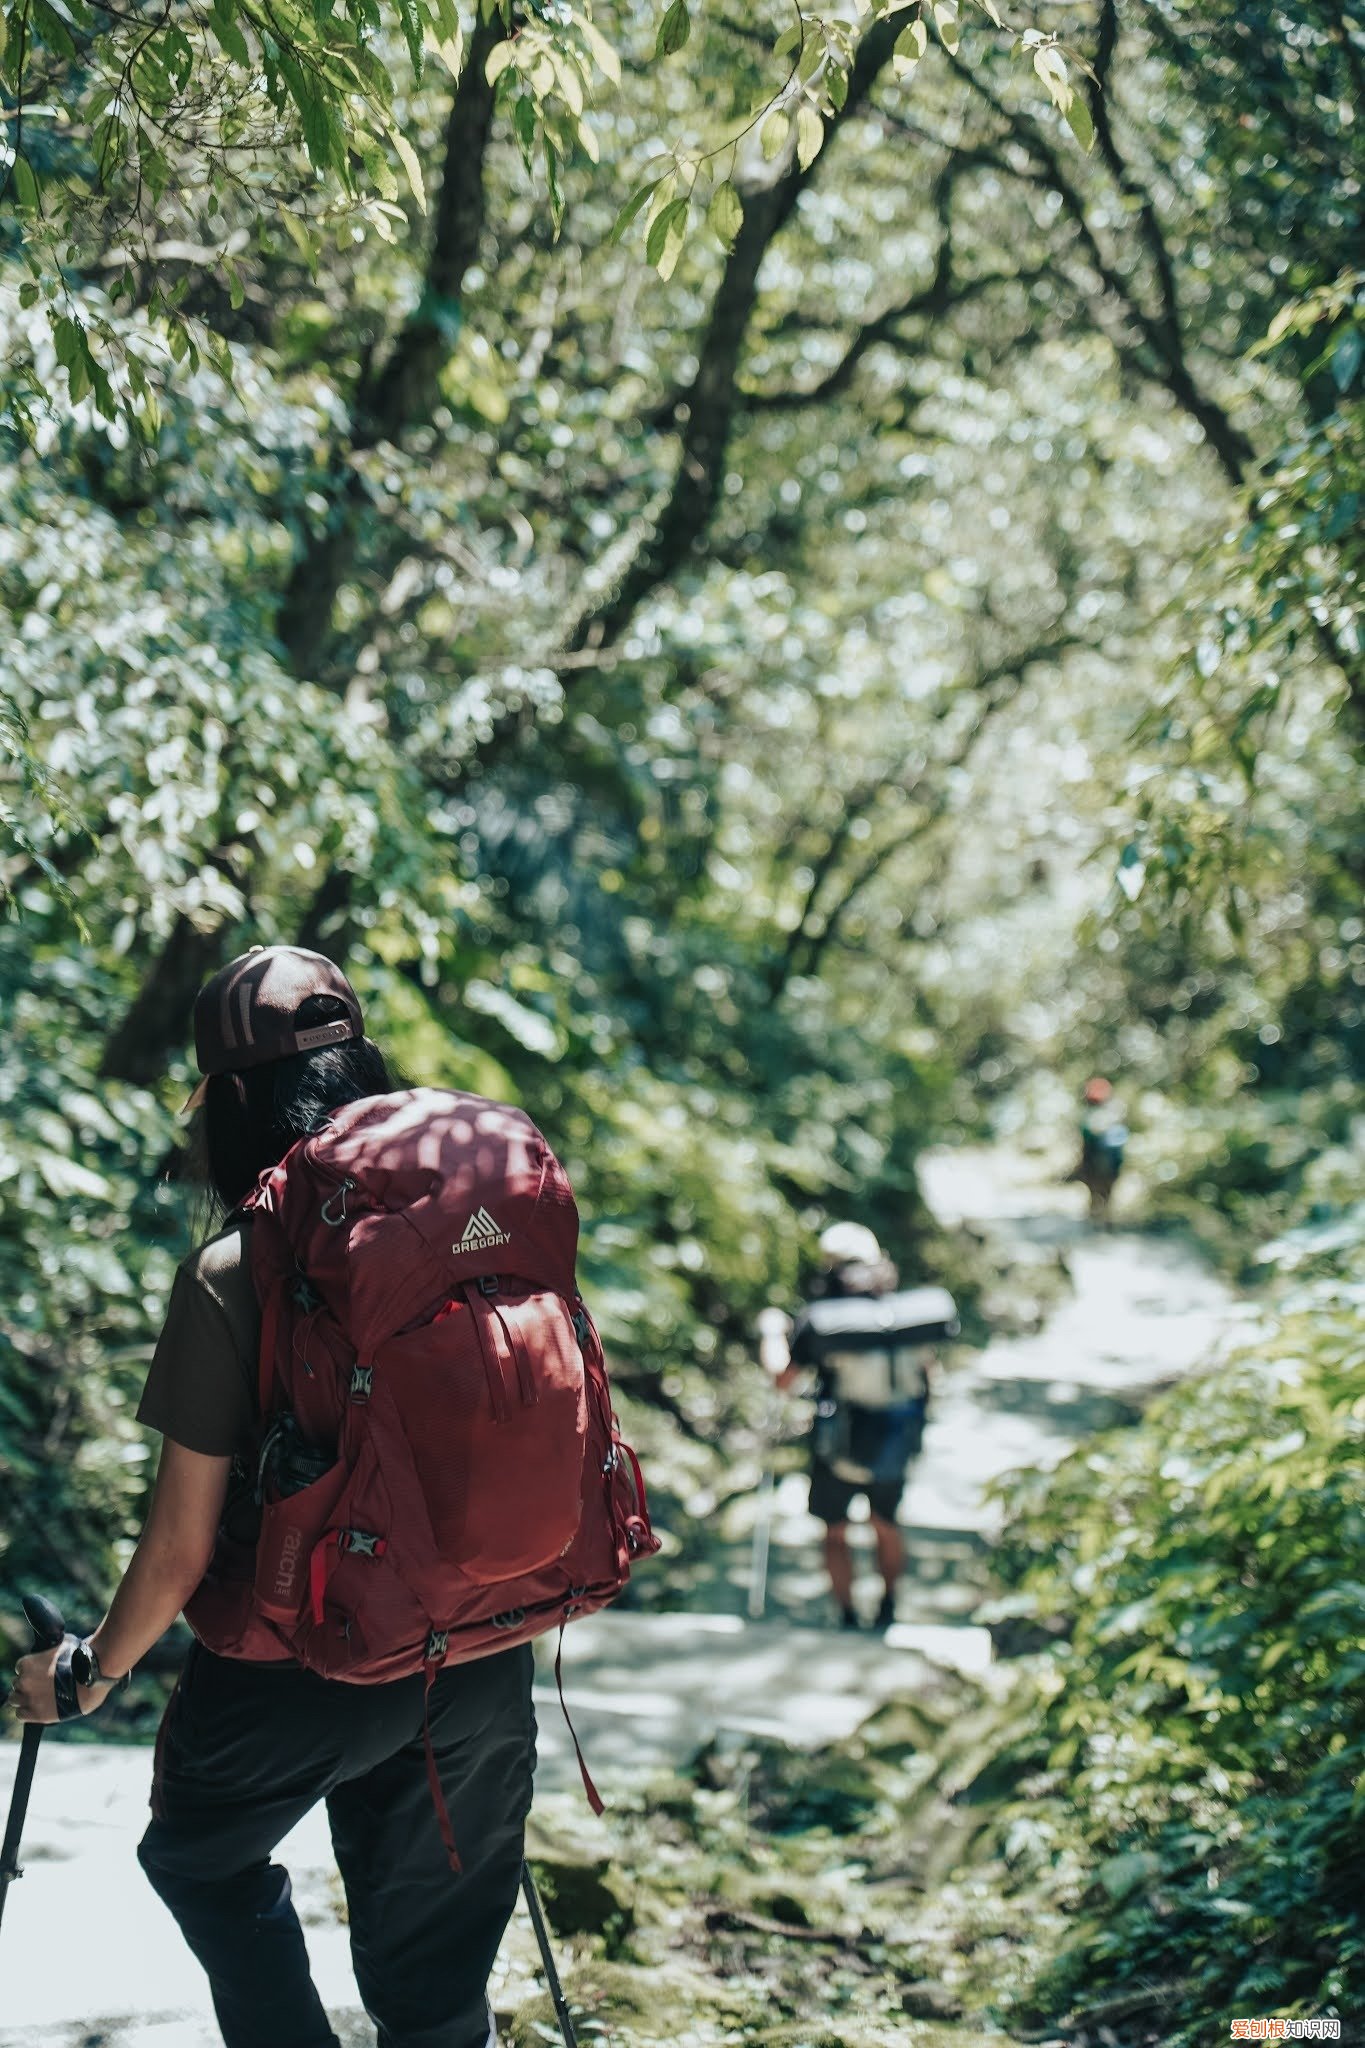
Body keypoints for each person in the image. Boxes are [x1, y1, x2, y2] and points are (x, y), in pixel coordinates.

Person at [9, 946, 533, 2048]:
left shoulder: (234, 1269)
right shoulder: (474, 1222)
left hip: (303, 1662)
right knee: (433, 1990)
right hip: (483, 1642)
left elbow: (178, 1550)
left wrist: (90, 1671)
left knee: (197, 1855)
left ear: (231, 1098)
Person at [772, 1222, 955, 1633]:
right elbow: (930, 1374)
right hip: (896, 1438)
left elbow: (785, 1382)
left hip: (839, 1444)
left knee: (835, 1531)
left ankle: (849, 1616)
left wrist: (771, 1336)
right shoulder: (909, 1319)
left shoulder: (821, 1323)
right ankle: (888, 1607)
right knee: (886, 1524)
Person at [1073, 1075, 1128, 1223]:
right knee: (1108, 1186)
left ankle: (1097, 1211)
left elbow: (1084, 1135)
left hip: (1094, 1156)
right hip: (1112, 1159)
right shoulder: (1115, 1110)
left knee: (1091, 1181)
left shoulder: (1092, 1112)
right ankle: (1105, 1214)